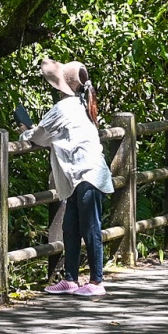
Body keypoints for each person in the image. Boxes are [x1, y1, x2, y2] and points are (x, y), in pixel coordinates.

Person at [17, 57, 114, 296]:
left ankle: (96, 281)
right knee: (71, 228)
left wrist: (23, 132)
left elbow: (40, 136)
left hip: (87, 175)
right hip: (79, 177)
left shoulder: (65, 108)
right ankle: (70, 278)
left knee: (90, 228)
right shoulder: (81, 105)